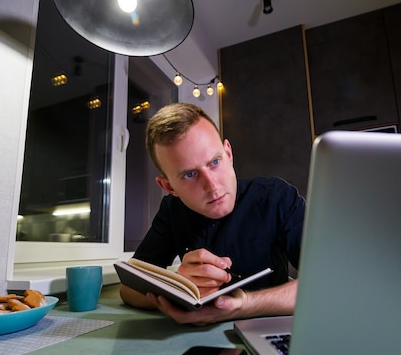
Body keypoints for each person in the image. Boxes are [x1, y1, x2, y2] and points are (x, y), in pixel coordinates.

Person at [120, 103, 305, 325]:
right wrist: (179, 288)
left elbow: (329, 282)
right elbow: (129, 288)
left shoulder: (276, 197)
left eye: (215, 162)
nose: (212, 186)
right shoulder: (171, 211)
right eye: (190, 175)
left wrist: (242, 305)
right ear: (169, 187)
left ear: (228, 154)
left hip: (269, 330)